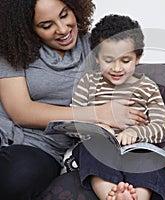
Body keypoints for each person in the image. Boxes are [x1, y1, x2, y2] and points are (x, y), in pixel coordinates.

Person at [0, 1, 147, 199]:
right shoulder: (13, 51)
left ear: (75, 8)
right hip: (5, 133)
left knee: (17, 176)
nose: (62, 30)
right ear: (27, 27)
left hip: (41, 148)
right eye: (46, 25)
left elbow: (131, 93)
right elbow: (21, 112)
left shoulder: (96, 48)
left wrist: (161, 152)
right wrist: (98, 113)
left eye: (64, 15)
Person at [71, 14, 165, 200]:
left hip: (135, 148)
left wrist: (135, 132)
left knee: (147, 160)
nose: (117, 68)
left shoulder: (147, 87)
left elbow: (162, 127)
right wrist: (97, 127)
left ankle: (136, 197)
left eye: (125, 61)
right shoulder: (87, 83)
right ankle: (111, 195)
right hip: (98, 145)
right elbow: (72, 121)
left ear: (137, 57)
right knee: (92, 150)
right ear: (97, 57)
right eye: (109, 60)